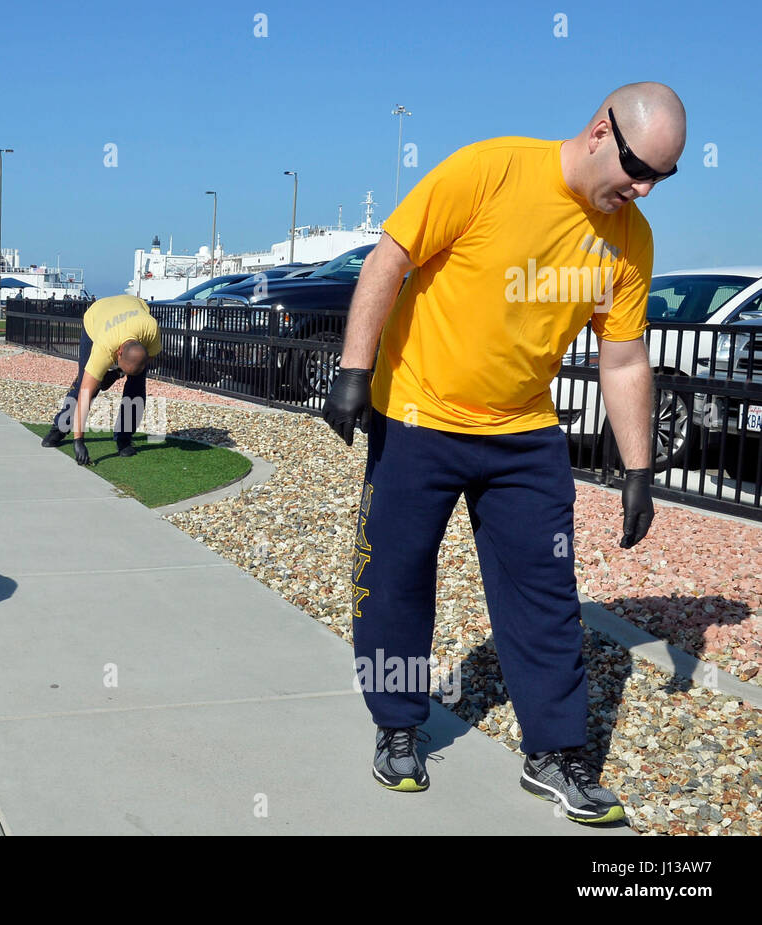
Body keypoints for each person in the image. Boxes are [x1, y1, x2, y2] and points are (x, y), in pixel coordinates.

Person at [322, 82, 683, 825]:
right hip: (418, 414)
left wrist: (638, 469)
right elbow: (389, 258)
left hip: (523, 434)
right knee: (393, 578)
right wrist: (355, 372)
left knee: (546, 596)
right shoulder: (488, 171)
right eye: (638, 167)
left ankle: (555, 752)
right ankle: (397, 724)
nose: (643, 188)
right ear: (598, 132)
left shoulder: (629, 238)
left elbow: (621, 359)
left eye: (661, 177)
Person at [41, 294, 162, 464]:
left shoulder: (151, 329)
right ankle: (61, 426)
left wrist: (117, 373)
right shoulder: (104, 347)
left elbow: (151, 357)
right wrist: (79, 441)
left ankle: (124, 438)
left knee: (137, 386)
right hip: (96, 317)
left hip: (133, 308)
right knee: (87, 382)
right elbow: (85, 392)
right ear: (118, 353)